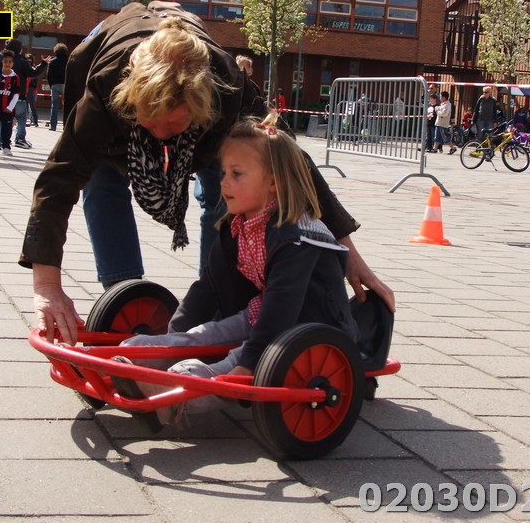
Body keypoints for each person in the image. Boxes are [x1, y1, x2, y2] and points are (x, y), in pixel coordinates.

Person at [21, 1, 395, 345]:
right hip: (117, 97)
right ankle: (124, 294)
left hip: (209, 119)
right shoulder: (107, 87)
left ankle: (219, 299)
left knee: (227, 190)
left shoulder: (228, 88)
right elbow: (60, 178)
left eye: (174, 124)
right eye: (152, 121)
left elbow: (289, 162)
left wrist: (349, 255)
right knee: (101, 181)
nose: (161, 135)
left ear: (200, 106)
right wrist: (47, 285)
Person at [106, 115, 364, 430]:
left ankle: (180, 393)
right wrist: (175, 337)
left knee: (236, 360)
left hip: (311, 326)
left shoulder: (295, 235)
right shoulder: (238, 224)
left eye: (237, 173)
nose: (224, 182)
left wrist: (249, 363)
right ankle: (144, 358)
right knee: (205, 335)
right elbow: (209, 286)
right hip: (265, 312)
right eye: (224, 172)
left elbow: (283, 308)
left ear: (273, 183)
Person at [3, 39, 50, 150]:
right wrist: (43, 64)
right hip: (19, 95)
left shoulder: (3, 59)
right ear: (19, 49)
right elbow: (32, 73)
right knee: (21, 118)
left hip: (4, 95)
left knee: (3, 118)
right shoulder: (22, 61)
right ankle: (20, 139)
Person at [0, 49, 21, 157]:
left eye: (10, 62)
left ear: (13, 63)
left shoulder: (15, 78)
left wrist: (10, 107)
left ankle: (6, 147)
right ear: (1, 62)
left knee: (7, 130)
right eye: (5, 61)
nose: (7, 64)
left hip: (8, 110)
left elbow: (16, 94)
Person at [46, 43, 68, 131]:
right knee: (66, 106)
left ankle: (53, 126)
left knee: (54, 106)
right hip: (65, 84)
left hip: (55, 84)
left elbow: (48, 75)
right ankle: (65, 126)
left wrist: (51, 84)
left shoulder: (52, 61)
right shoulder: (69, 61)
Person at [25, 54, 40, 127]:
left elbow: (35, 80)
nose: (29, 60)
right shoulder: (24, 67)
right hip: (25, 88)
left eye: (30, 59)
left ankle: (35, 121)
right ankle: (24, 120)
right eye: (28, 59)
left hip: (31, 88)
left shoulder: (33, 68)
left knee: (32, 106)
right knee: (24, 106)